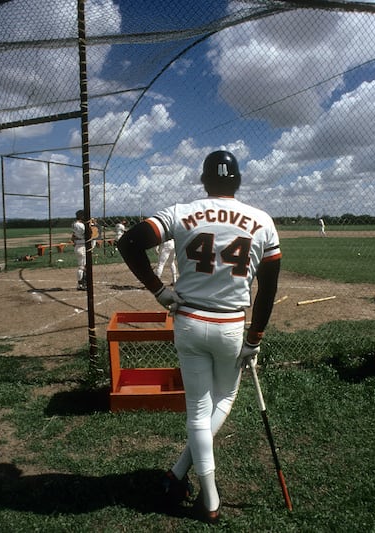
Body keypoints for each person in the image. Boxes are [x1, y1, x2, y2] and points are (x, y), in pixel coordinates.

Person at [118, 150, 281, 524]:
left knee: (198, 410)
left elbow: (128, 243)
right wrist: (254, 338)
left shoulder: (180, 211)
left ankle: (186, 480)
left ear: (204, 180)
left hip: (189, 321)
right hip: (231, 325)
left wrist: (159, 290)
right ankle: (204, 496)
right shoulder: (262, 221)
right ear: (238, 181)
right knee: (223, 399)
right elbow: (268, 291)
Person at [71, 210, 91, 290]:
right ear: (82, 216)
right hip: (82, 246)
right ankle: (81, 285)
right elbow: (89, 233)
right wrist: (91, 224)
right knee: (82, 267)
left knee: (83, 266)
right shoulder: (81, 225)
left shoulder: (73, 224)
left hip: (78, 245)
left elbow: (73, 236)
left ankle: (83, 283)